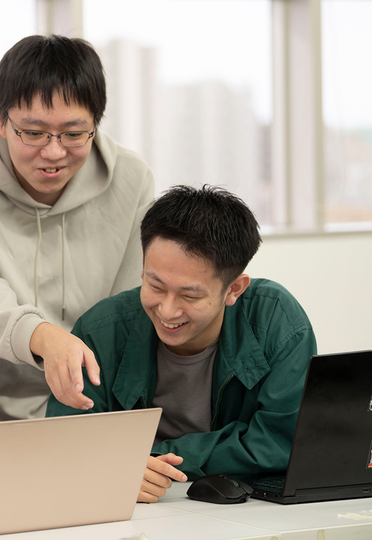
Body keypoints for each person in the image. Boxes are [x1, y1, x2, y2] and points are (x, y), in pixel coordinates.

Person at [0, 34, 155, 421]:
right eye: (34, 132)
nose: (54, 152)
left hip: (86, 404)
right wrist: (46, 338)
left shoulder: (132, 178)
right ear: (2, 120)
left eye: (74, 134)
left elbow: (128, 308)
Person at [47, 185, 317, 503]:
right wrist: (112, 470)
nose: (167, 310)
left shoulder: (275, 319)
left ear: (234, 289)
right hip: (131, 509)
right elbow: (62, 446)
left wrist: (146, 458)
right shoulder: (101, 330)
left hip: (244, 510)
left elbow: (284, 440)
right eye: (154, 284)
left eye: (189, 295)